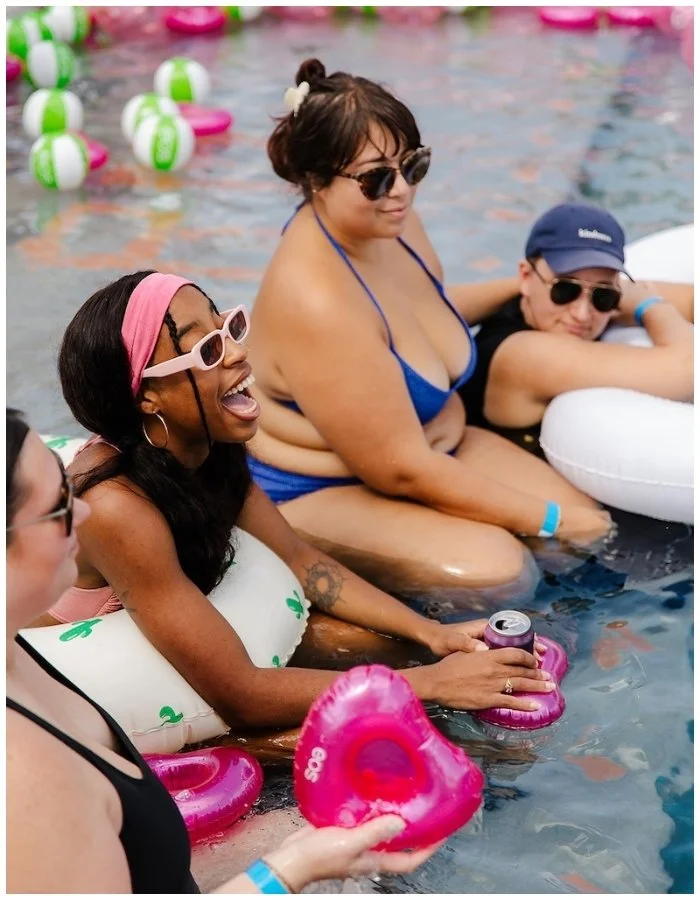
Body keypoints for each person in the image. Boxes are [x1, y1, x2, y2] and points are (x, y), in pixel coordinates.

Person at [32, 271, 556, 757]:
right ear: (149, 396)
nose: (238, 353)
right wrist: (430, 684)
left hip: (172, 612)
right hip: (65, 667)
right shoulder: (115, 508)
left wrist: (431, 633)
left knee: (392, 653)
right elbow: (240, 695)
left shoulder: (209, 445)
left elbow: (300, 560)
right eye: (209, 349)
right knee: (380, 725)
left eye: (229, 328)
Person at [6, 408, 445, 893]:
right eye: (59, 504)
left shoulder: (18, 659)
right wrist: (289, 871)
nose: (84, 512)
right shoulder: (28, 779)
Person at [245, 57, 612, 599]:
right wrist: (550, 520)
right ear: (316, 180)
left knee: (591, 526)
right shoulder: (316, 301)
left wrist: (531, 288)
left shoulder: (388, 222)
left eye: (412, 166)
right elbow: (401, 470)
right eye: (376, 177)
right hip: (317, 487)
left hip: (435, 445)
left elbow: (418, 315)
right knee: (501, 572)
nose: (401, 191)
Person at [459, 203, 694, 457]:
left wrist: (615, 297)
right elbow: (688, 369)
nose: (582, 314)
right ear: (525, 277)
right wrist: (651, 306)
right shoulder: (525, 355)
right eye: (564, 290)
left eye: (603, 295)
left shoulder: (568, 306)